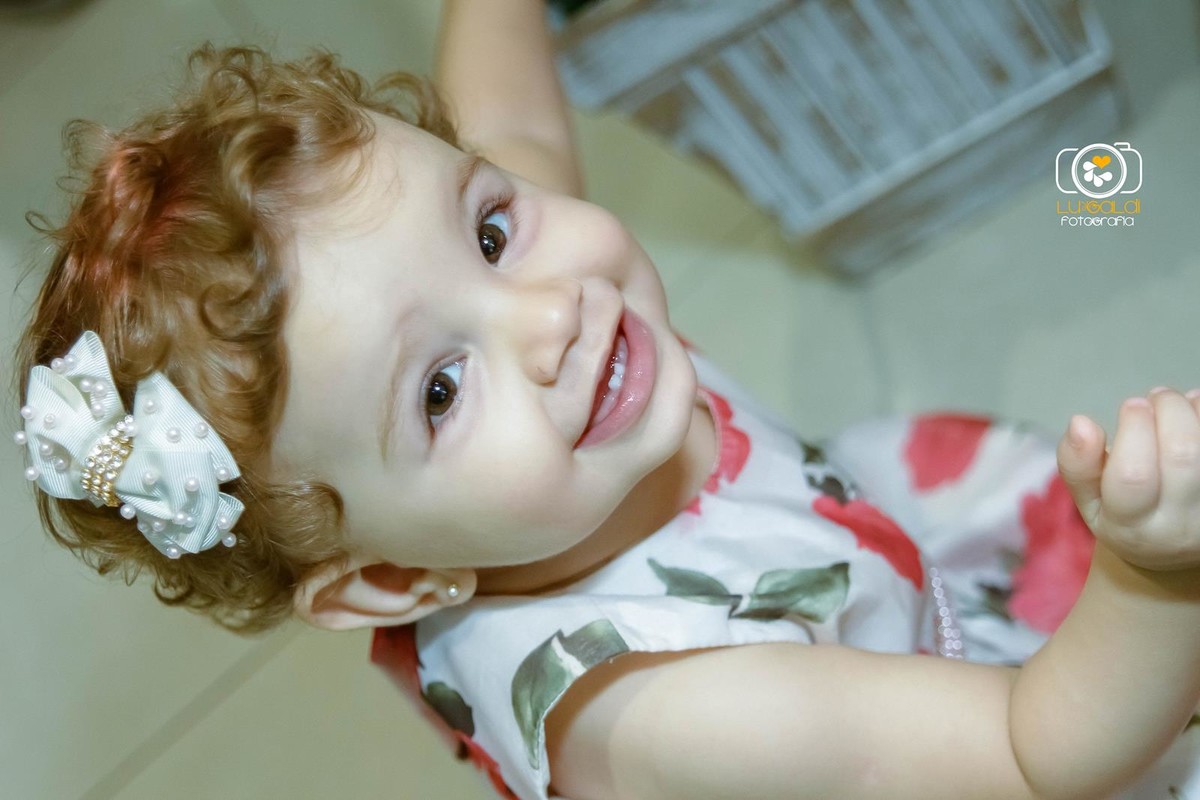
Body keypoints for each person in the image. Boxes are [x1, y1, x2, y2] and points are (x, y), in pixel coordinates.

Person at [11, 1, 1200, 797]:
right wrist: (1154, 575)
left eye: (486, 225)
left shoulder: (527, 394)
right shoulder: (672, 710)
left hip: (853, 620)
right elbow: (1034, 750)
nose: (549, 312)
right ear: (390, 584)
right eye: (437, 388)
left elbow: (515, 123)